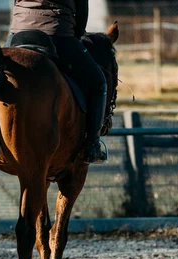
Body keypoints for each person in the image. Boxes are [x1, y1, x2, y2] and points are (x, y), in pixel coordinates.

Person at [9, 0, 108, 164]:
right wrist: (76, 35)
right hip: (57, 32)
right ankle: (92, 145)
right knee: (99, 83)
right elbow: (82, 11)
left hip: (19, 32)